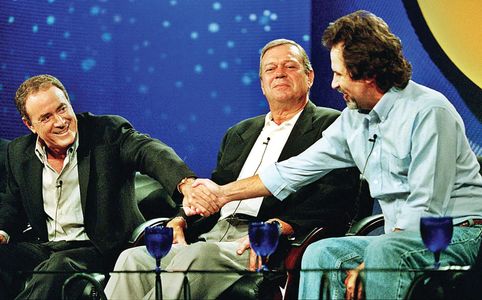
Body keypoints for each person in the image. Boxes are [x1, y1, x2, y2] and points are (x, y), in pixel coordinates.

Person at [188, 10, 482, 300]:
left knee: (383, 252)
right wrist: (223, 193)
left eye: (339, 73)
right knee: (322, 253)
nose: (333, 83)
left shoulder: (429, 111)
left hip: (457, 234)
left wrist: (371, 264)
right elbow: (293, 170)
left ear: (367, 74)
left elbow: (425, 206)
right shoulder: (354, 118)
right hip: (398, 240)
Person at [104, 39, 359, 299]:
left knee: (197, 257)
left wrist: (281, 226)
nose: (279, 72)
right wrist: (181, 219)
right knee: (133, 260)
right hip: (212, 234)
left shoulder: (332, 124)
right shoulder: (239, 133)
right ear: (262, 84)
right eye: (270, 69)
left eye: (289, 66)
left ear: (310, 77)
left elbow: (337, 195)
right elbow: (215, 191)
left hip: (262, 240)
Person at [0, 74, 196, 300]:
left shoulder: (106, 132)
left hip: (99, 247)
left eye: (62, 109)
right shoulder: (18, 152)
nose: (61, 122)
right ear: (29, 124)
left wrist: (185, 183)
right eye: (46, 117)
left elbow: (148, 151)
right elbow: (12, 202)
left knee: (57, 267)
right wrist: (3, 231)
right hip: (45, 245)